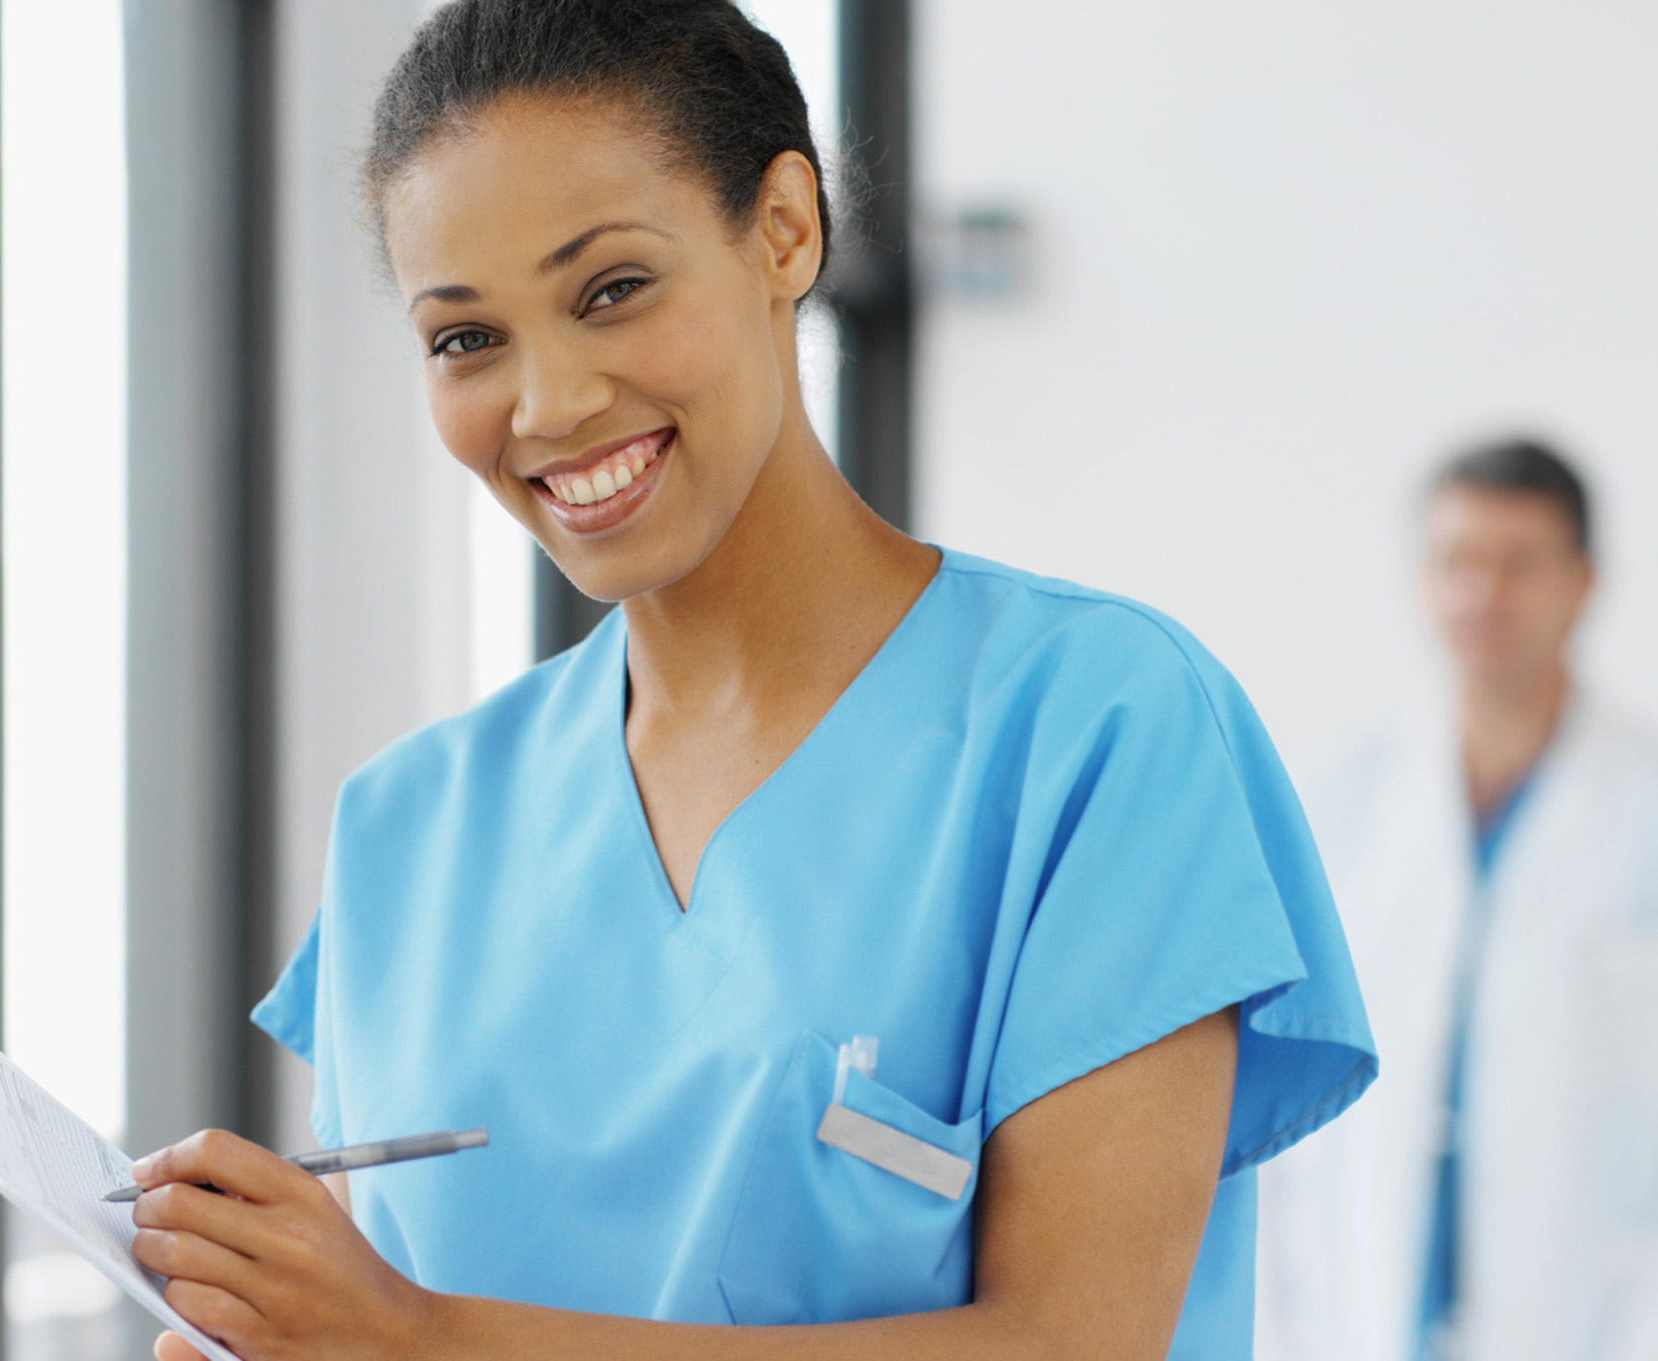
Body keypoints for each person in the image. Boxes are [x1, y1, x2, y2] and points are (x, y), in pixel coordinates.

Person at [124, 3, 1375, 1357]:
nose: (546, 404)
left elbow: (1075, 1340)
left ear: (783, 230)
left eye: (611, 290)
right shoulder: (408, 830)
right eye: (465, 339)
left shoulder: (1096, 729)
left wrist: (427, 1342)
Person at [1256, 439, 1658, 1361]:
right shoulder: (1338, 800)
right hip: (1358, 1319)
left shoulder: (1642, 812)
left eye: (1519, 564)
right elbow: (1285, 1098)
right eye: (1457, 563)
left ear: (1583, 581)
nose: (1484, 596)